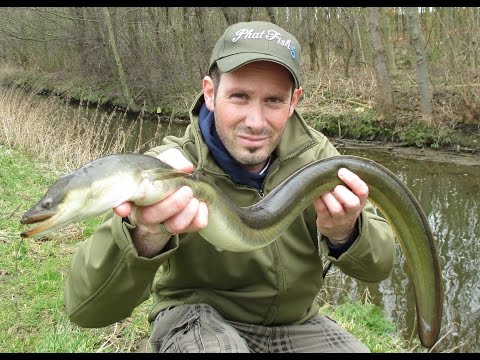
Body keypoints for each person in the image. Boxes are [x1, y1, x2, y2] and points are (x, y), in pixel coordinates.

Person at [64, 21, 395, 353]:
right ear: (210, 93)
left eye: (274, 101)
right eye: (239, 96)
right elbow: (86, 308)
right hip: (195, 320)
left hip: (298, 324)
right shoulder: (168, 169)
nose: (255, 121)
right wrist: (145, 236)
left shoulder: (318, 159)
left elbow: (379, 266)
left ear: (294, 102)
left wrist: (346, 233)